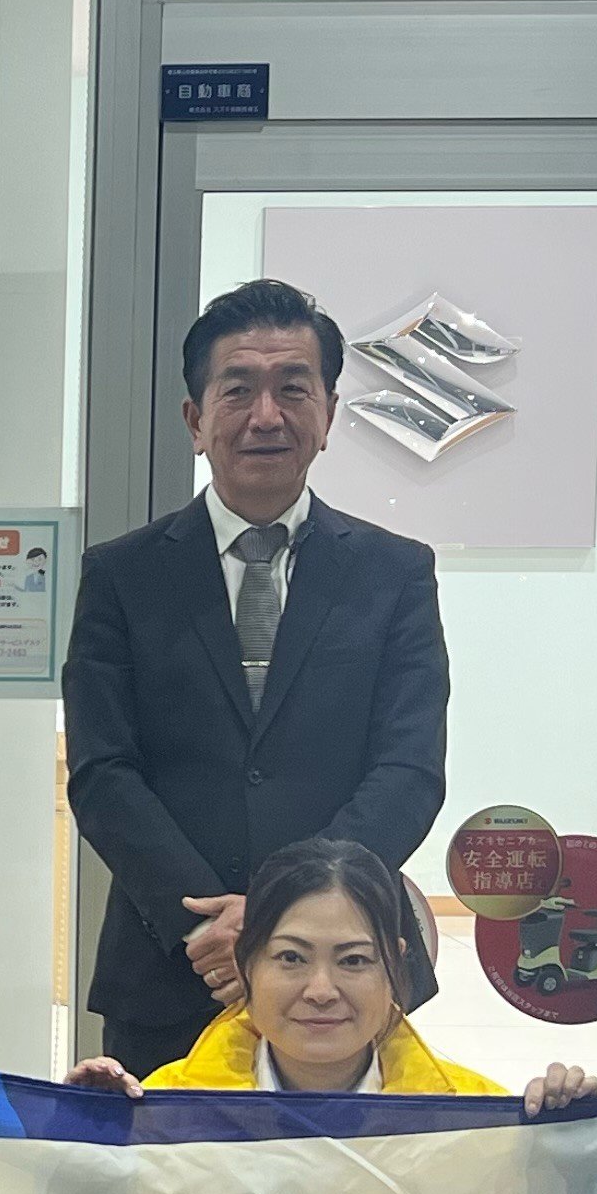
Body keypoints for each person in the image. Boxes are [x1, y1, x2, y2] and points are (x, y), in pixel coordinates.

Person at [64, 275, 450, 1080]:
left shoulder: (395, 574)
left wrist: (287, 921)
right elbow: (103, 771)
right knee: (167, 1162)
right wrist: (209, 927)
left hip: (341, 977)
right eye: (237, 389)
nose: (266, 415)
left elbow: (408, 769)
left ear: (329, 415)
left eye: (293, 389)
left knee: (343, 1165)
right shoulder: (122, 575)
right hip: (172, 967)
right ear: (195, 420)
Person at [67, 837, 587, 1110]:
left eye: (353, 960)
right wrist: (89, 1130)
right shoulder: (170, 1106)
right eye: (291, 958)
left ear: (394, 964)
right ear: (246, 965)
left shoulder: (472, 1114)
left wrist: (568, 1149)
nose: (321, 990)